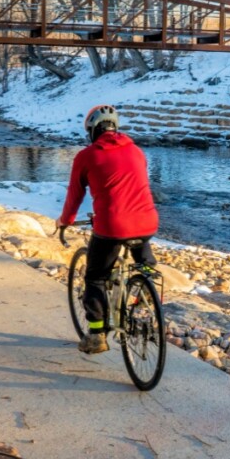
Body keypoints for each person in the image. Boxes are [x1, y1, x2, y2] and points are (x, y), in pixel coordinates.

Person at [58, 104, 159, 354]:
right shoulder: (136, 151)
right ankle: (143, 296)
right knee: (146, 268)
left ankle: (96, 334)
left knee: (95, 277)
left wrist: (66, 220)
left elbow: (74, 195)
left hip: (112, 225)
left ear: (92, 131)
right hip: (147, 222)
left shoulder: (87, 156)